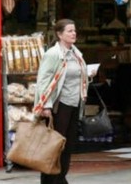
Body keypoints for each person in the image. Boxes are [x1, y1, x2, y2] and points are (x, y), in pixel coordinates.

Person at [33, 19, 96, 184]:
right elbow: (43, 81)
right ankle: (50, 179)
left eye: (74, 30)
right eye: (69, 31)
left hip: (75, 104)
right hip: (59, 106)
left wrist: (87, 74)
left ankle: (60, 177)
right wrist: (46, 105)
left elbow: (75, 74)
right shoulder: (53, 54)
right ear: (59, 34)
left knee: (68, 145)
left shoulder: (76, 53)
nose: (73, 33)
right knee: (54, 145)